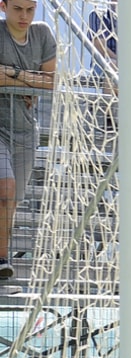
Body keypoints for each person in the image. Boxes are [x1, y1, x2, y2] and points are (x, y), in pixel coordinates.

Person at [0, 0, 55, 279]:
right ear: (3, 6)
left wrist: (12, 74)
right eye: (17, 8)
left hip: (25, 131)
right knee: (6, 188)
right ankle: (1, 258)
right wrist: (31, 82)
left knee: (10, 201)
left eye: (30, 9)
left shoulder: (42, 33)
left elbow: (53, 80)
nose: (24, 16)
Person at [87, 0, 116, 74]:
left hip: (125, 66)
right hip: (103, 64)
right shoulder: (98, 14)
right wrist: (122, 63)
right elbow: (100, 47)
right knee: (113, 65)